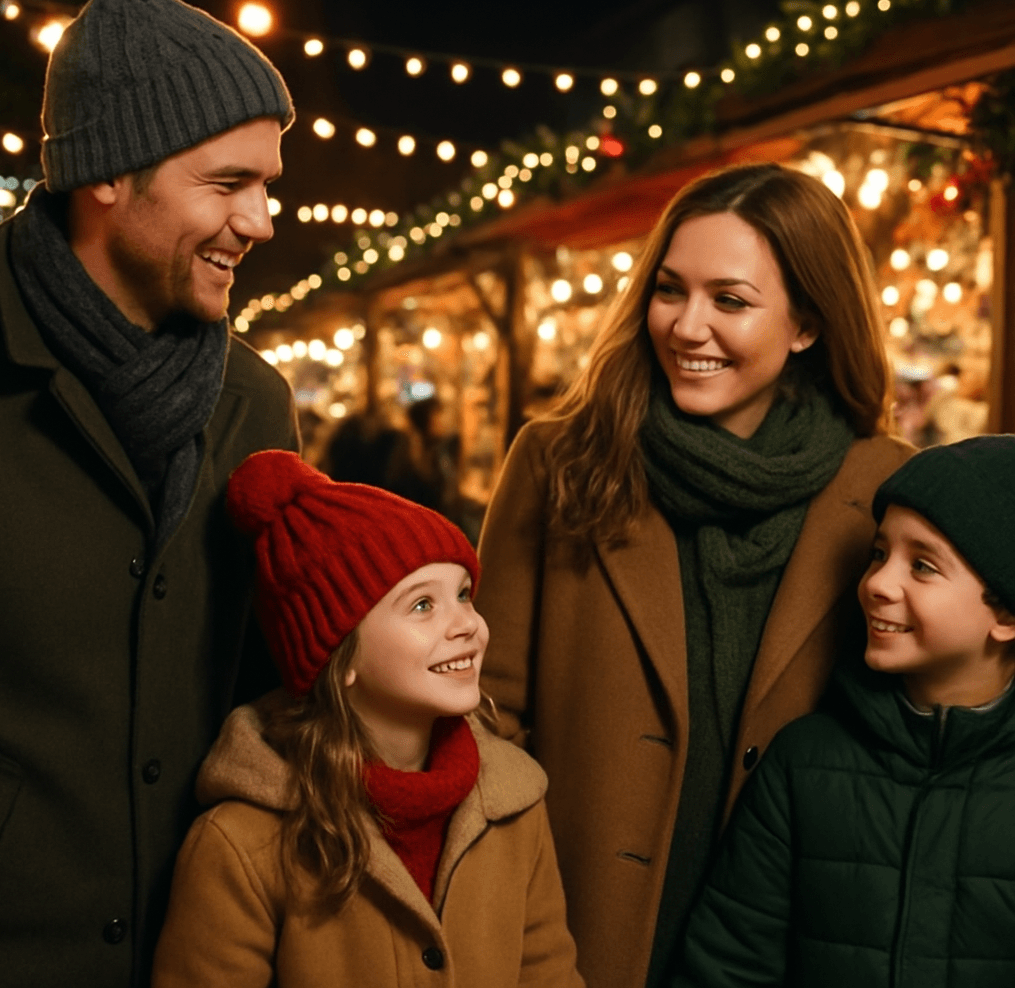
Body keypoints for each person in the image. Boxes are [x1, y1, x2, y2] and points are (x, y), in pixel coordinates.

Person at [475, 162, 915, 988]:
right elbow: (487, 716)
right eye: (670, 290)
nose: (685, 325)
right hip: (571, 936)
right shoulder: (561, 459)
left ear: (808, 325)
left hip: (793, 944)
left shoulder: (885, 488)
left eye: (731, 300)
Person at [0, 0, 297, 988]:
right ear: (106, 175)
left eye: (267, 183)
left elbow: (271, 682)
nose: (259, 220)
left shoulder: (254, 400)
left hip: (197, 951)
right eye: (227, 182)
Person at [150, 450, 584, 988]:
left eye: (464, 594)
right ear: (341, 653)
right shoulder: (241, 845)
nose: (467, 624)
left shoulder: (515, 805)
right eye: (422, 606)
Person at [674, 436, 1015, 987]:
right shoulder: (803, 764)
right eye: (879, 554)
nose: (878, 583)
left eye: (923, 566)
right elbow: (726, 966)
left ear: (1006, 613)